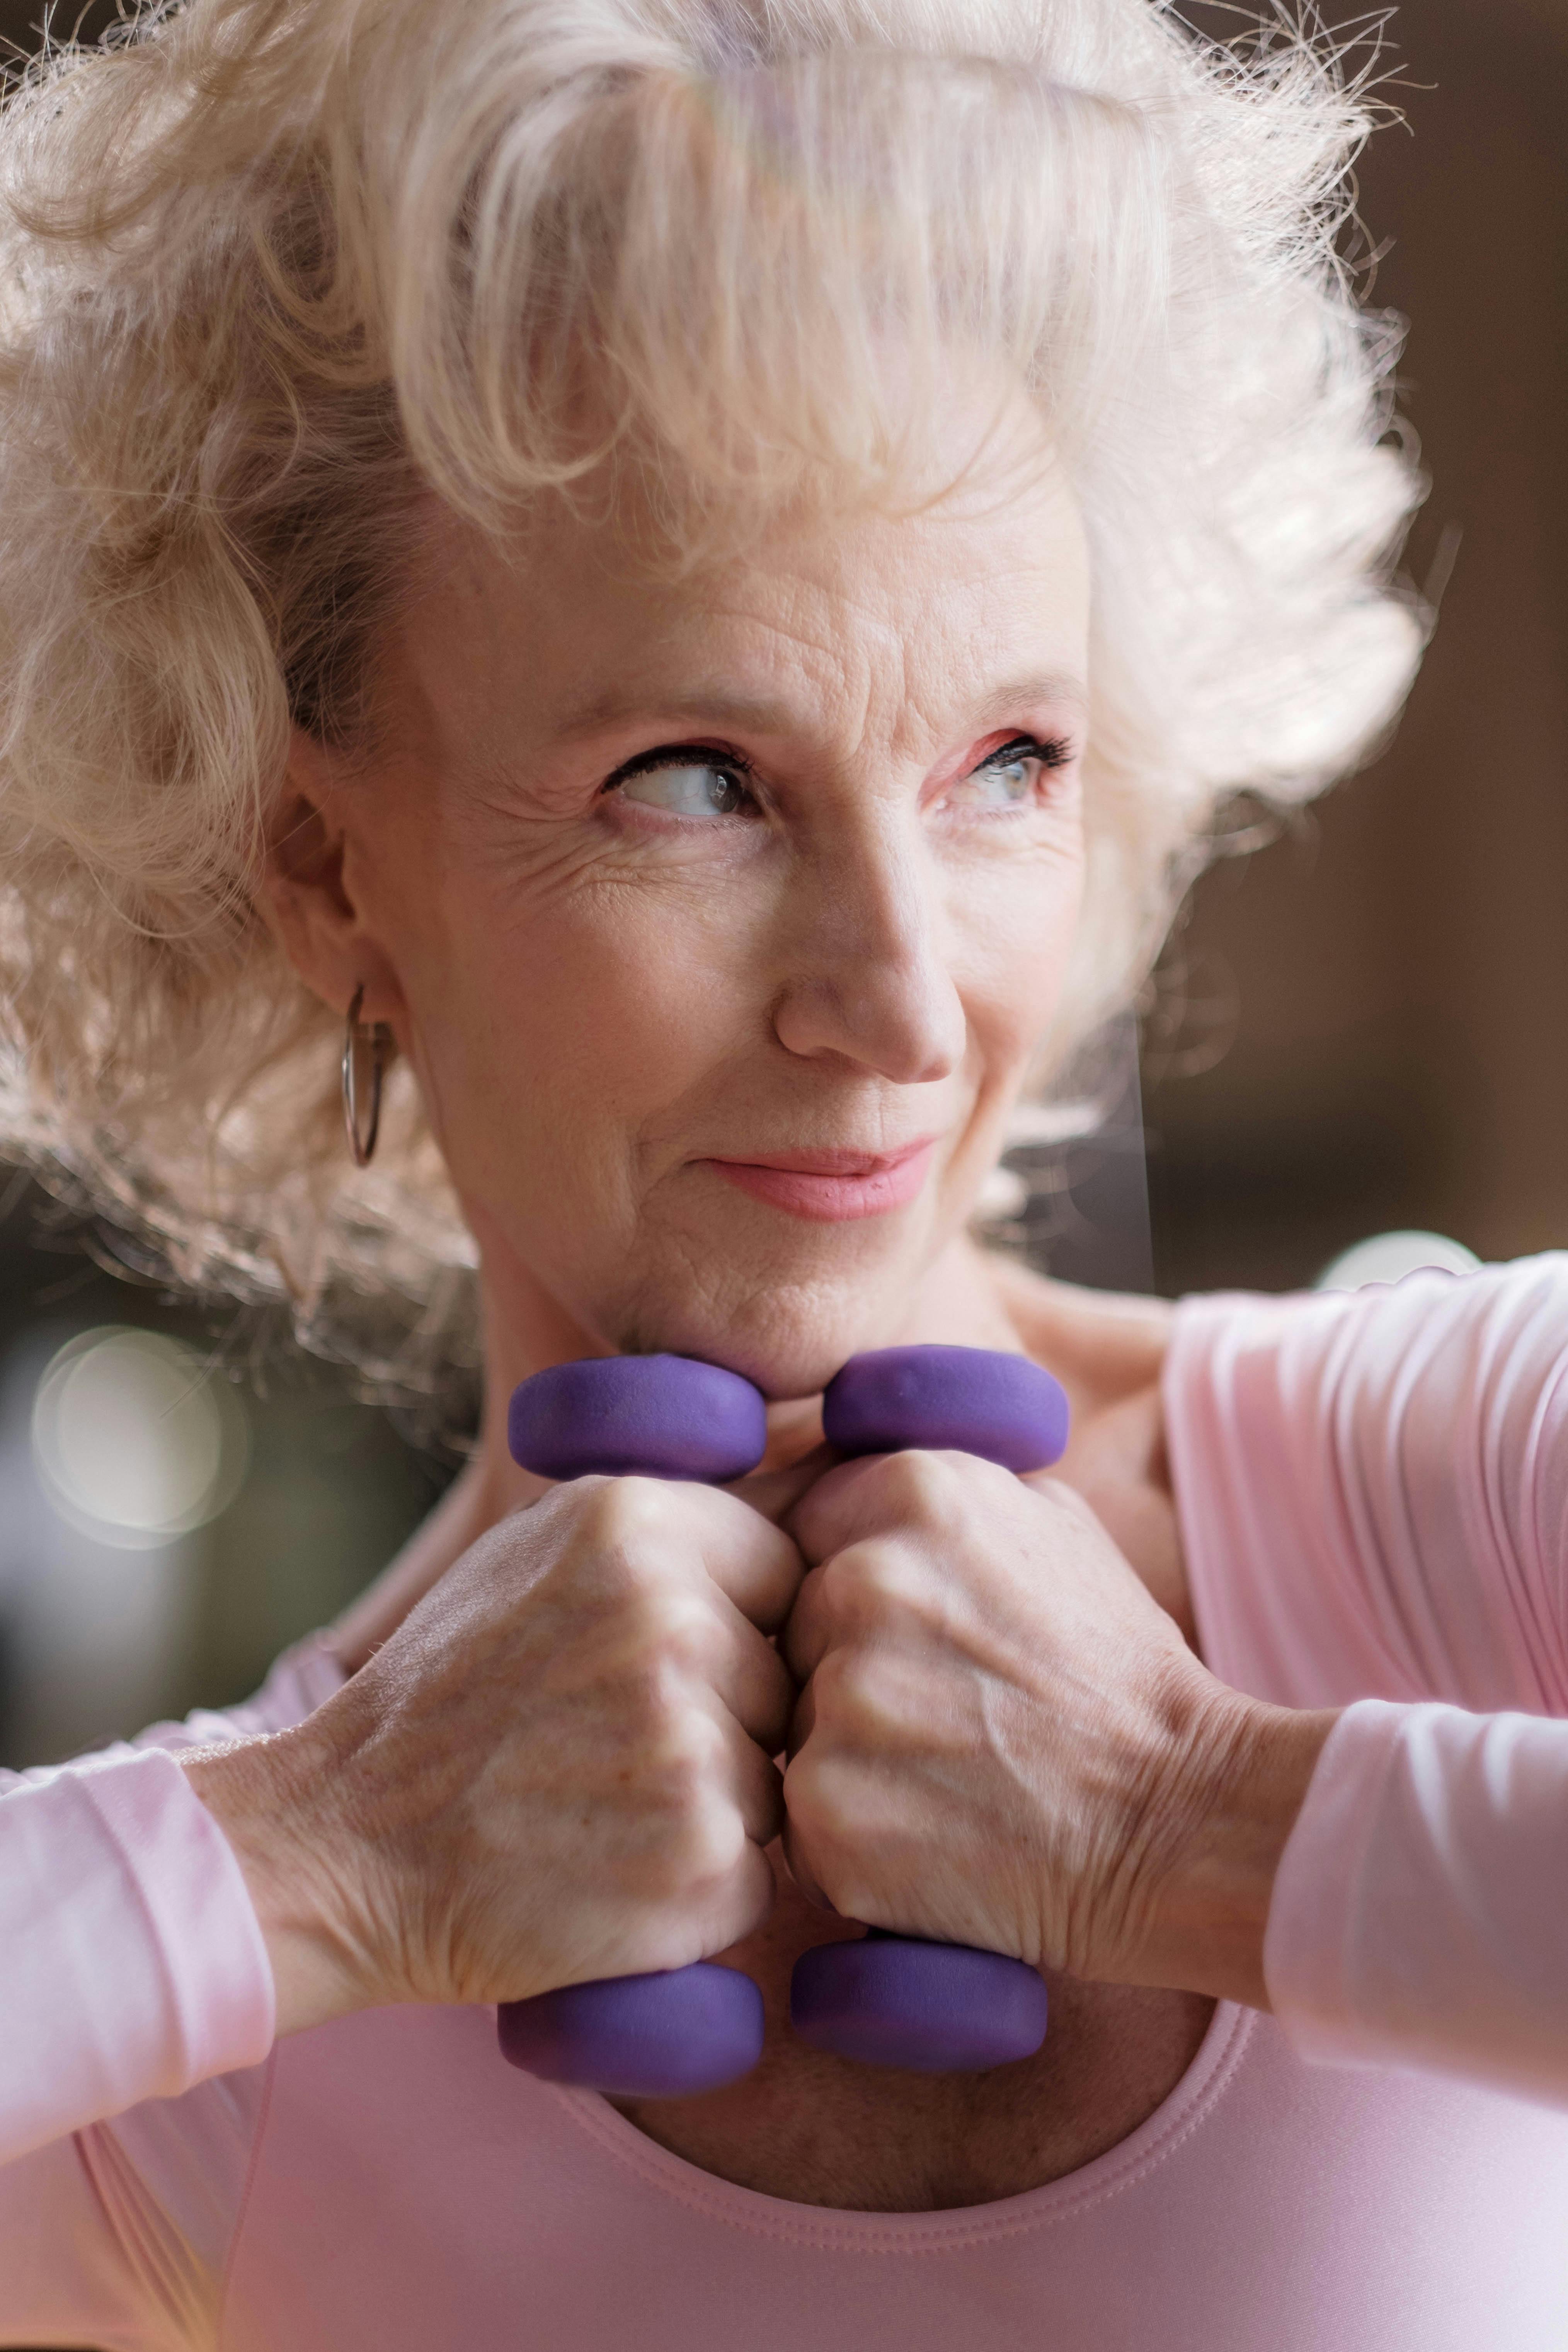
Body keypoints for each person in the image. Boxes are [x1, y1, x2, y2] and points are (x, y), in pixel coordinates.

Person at [1, 0, 1565, 2344]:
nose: (911, 1002)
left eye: (1008, 759)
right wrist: (321, 1856)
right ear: (325, 863)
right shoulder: (198, 2032)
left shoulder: (1474, 1473)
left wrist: (1191, 1824)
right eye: (700, 779)